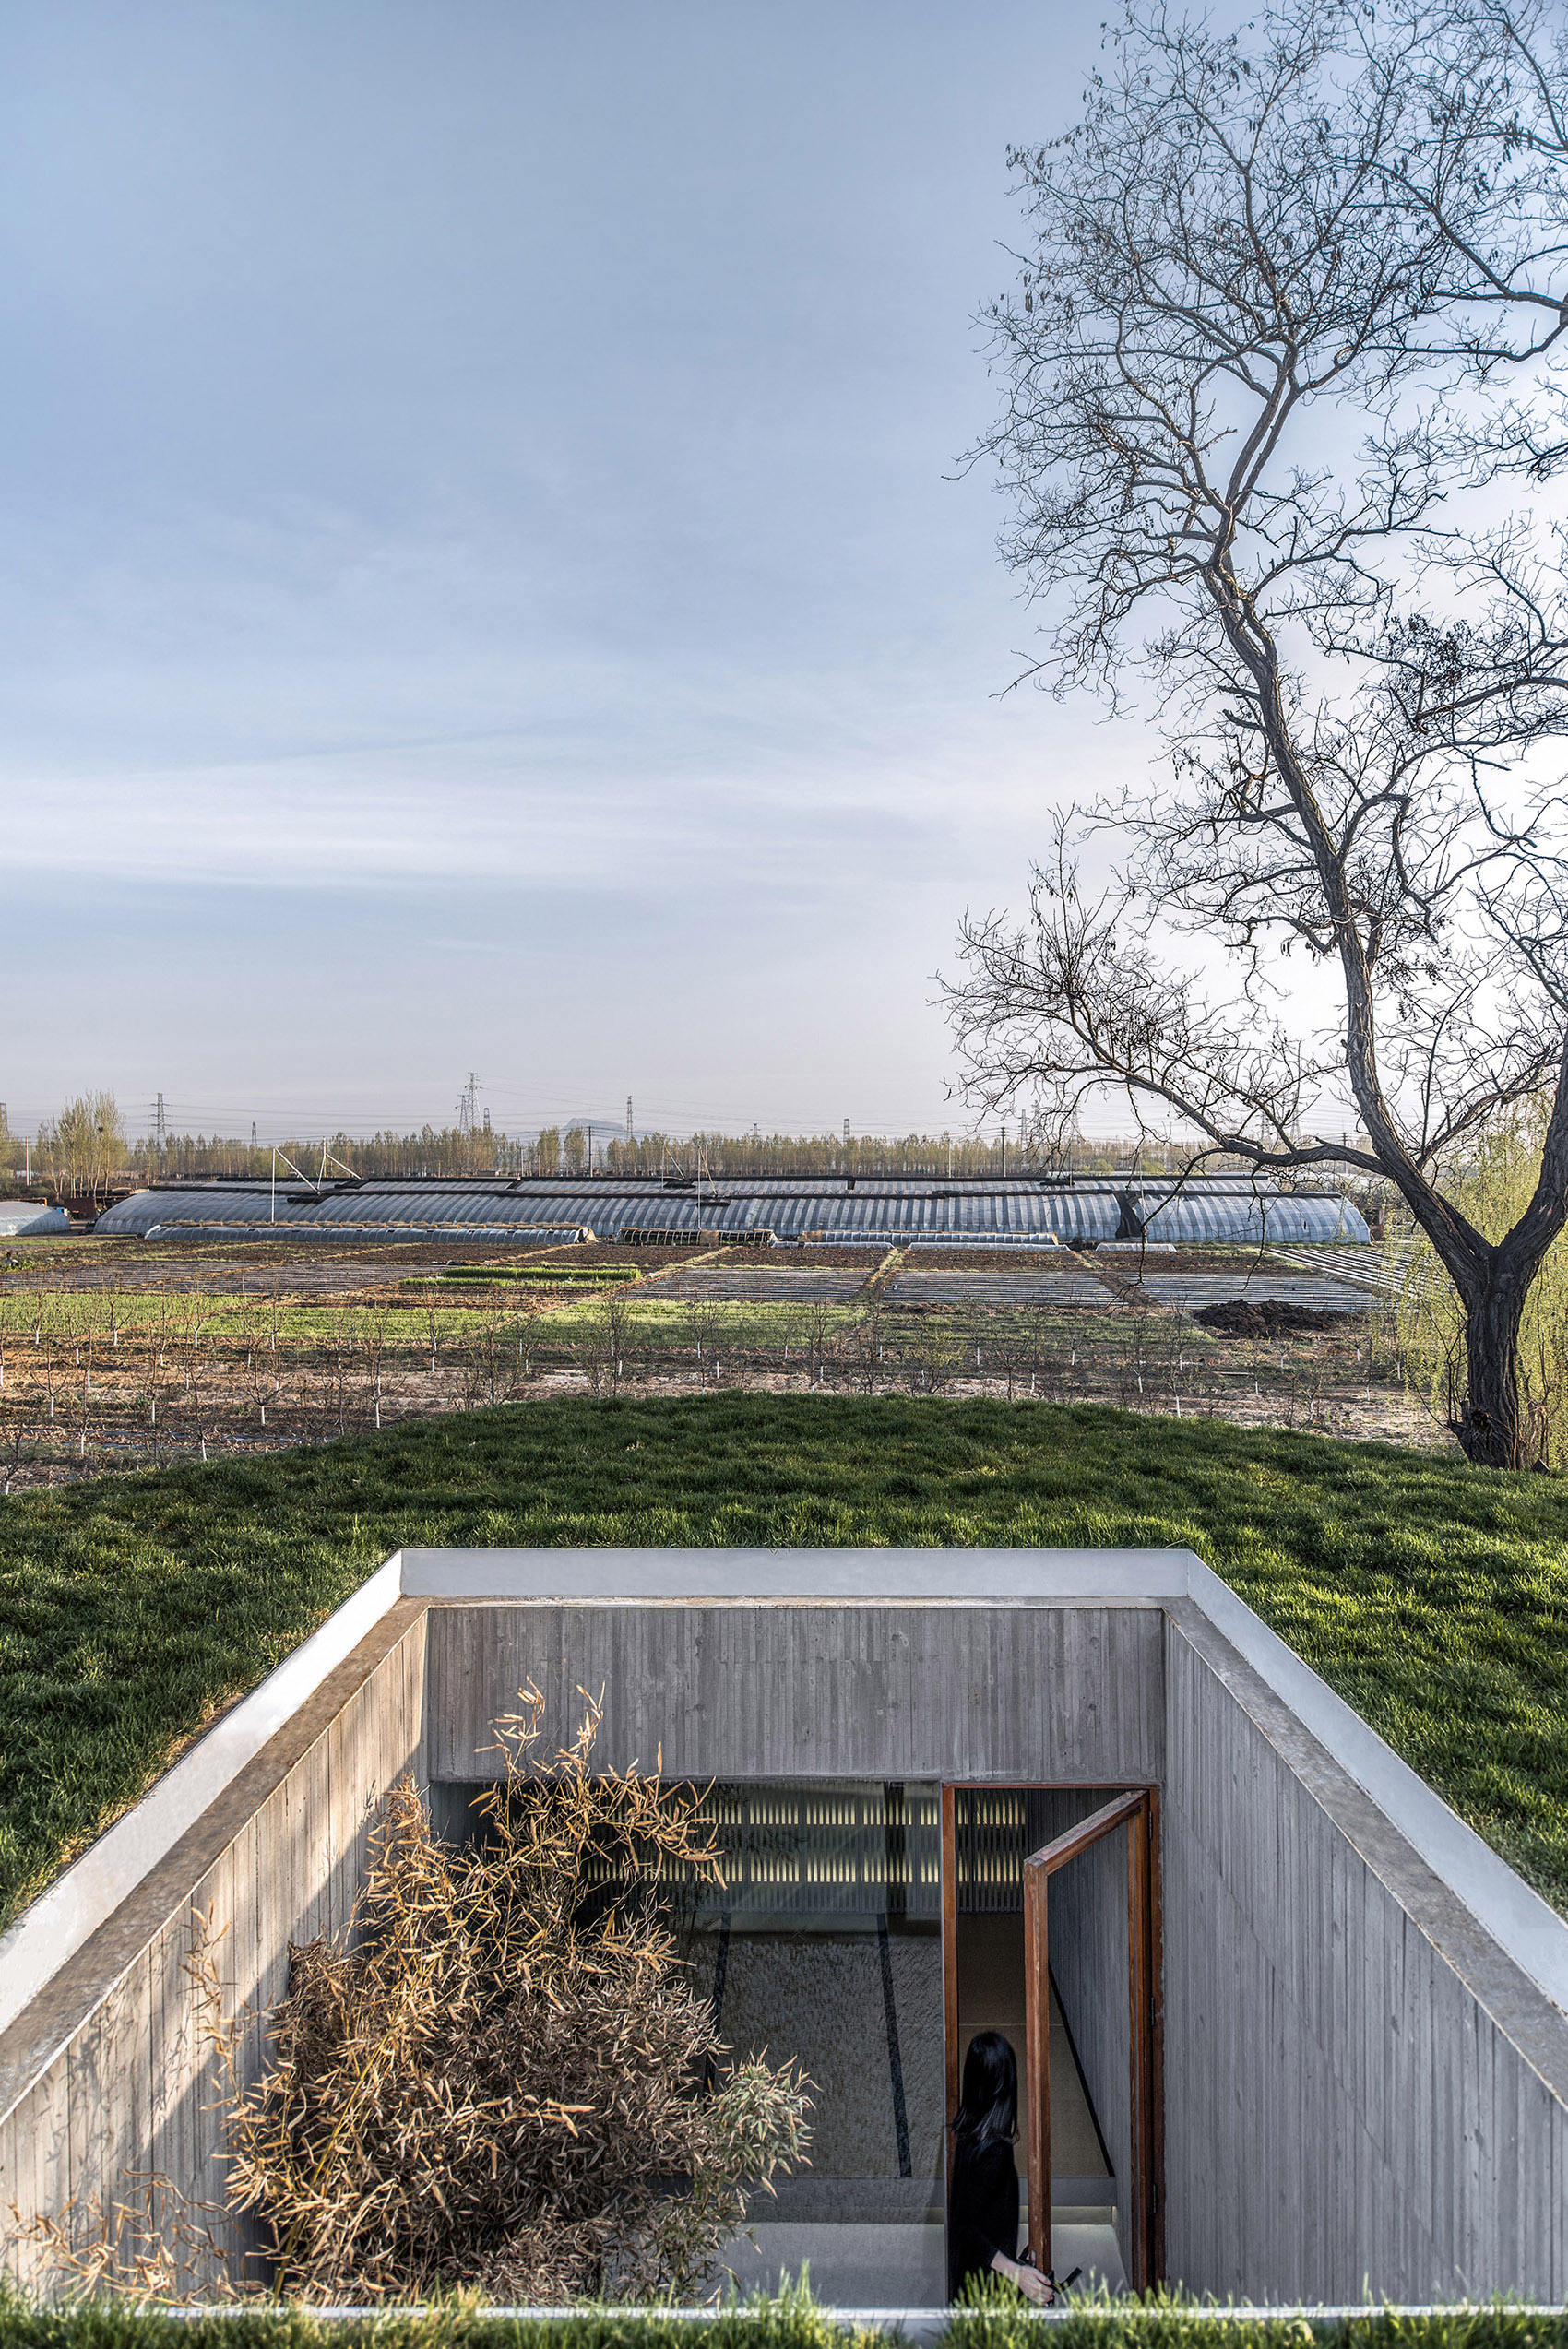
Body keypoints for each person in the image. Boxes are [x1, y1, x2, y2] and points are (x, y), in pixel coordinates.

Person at [946, 2030, 1053, 2306]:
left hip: (967, 2294)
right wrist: (1017, 2274)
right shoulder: (994, 2150)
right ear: (1004, 2086)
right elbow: (963, 2226)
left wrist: (1013, 2263)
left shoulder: (965, 2137)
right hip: (984, 2304)